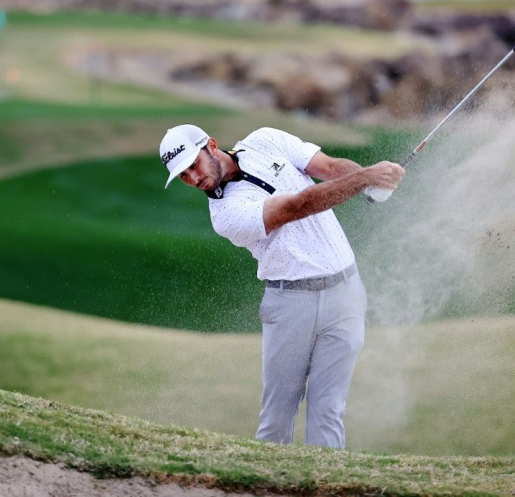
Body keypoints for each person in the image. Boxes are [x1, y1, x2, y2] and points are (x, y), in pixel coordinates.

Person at [158, 124, 404, 449]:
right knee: (276, 418)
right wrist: (365, 178)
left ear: (212, 146)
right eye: (183, 175)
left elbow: (329, 168)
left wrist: (372, 181)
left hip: (346, 291)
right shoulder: (225, 215)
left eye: (193, 165)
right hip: (291, 303)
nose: (193, 178)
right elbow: (297, 206)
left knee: (328, 410)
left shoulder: (265, 140)